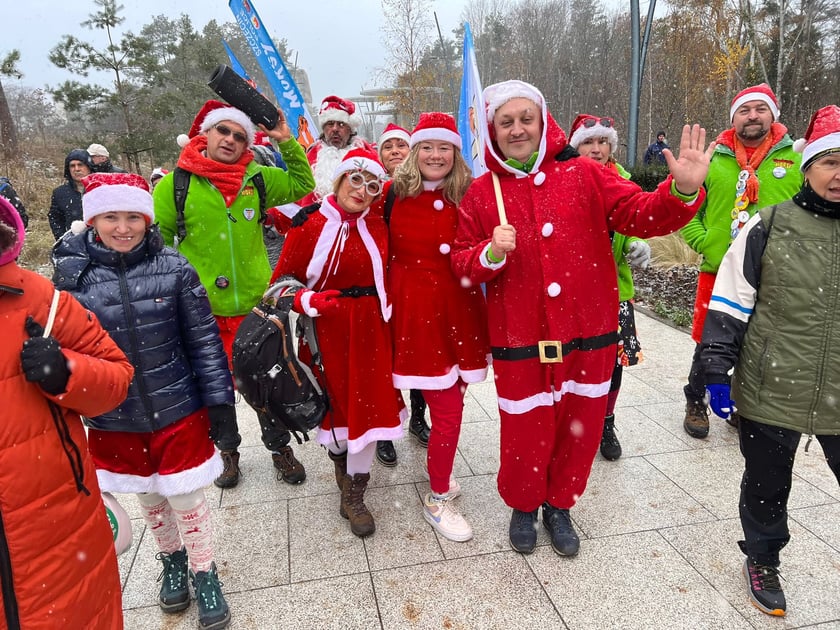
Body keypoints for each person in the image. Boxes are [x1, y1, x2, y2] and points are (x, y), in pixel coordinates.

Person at [451, 79, 714, 557]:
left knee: (581, 422)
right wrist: (489, 253)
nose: (517, 129)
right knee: (524, 426)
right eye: (506, 122)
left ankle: (559, 505)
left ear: (543, 122)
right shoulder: (482, 193)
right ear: (492, 130)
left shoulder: (585, 174)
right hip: (519, 334)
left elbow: (640, 213)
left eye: (525, 119)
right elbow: (462, 264)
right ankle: (524, 505)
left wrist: (682, 190)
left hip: (587, 329)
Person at [52, 172, 235, 629]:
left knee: (186, 494)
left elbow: (203, 340)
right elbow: (65, 347)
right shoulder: (72, 278)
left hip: (177, 404)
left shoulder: (174, 267)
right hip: (114, 413)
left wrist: (220, 401)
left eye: (133, 217)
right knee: (149, 493)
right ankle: (171, 558)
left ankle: (204, 570)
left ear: (148, 219)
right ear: (93, 219)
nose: (123, 228)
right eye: (111, 217)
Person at [699, 104, 840, 618]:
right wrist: (716, 370)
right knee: (766, 483)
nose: (839, 175)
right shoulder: (769, 225)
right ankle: (762, 558)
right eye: (830, 162)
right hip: (772, 383)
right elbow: (730, 303)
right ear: (808, 167)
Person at [153, 99, 315, 489]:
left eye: (239, 136)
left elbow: (302, 183)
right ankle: (227, 451)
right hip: (202, 311)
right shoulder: (175, 185)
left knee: (264, 383)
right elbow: (158, 245)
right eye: (222, 131)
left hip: (255, 309)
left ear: (248, 144)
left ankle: (279, 448)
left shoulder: (257, 179)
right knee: (216, 389)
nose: (229, 139)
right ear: (205, 134)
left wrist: (286, 141)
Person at [1, 195, 134, 629]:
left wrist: (65, 373)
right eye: (111, 217)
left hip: (58, 533)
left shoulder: (37, 298)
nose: (123, 228)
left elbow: (116, 376)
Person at [271, 148, 403, 538]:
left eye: (372, 185)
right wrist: (306, 300)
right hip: (325, 331)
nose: (362, 190)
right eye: (356, 179)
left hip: (372, 330)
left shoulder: (379, 221)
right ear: (340, 179)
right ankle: (341, 468)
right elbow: (278, 287)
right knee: (335, 409)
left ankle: (355, 493)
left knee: (370, 410)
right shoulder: (310, 224)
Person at [388, 112, 490, 541]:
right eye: (427, 147)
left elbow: (484, 250)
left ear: (455, 152)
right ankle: (437, 496)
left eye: (443, 147)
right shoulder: (391, 194)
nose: (435, 155)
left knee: (454, 401)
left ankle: (441, 474)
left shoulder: (470, 194)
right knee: (447, 410)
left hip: (459, 312)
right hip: (414, 316)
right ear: (414, 152)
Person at [680, 83, 802, 439]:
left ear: (772, 115)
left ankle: (739, 402)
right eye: (744, 110)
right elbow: (688, 208)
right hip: (718, 271)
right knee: (709, 341)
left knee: (758, 342)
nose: (752, 116)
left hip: (773, 273)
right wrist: (705, 241)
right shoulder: (713, 157)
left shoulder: (795, 160)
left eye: (760, 109)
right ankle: (696, 400)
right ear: (734, 117)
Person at [568, 113, 652, 460]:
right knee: (573, 361)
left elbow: (630, 220)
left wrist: (636, 241)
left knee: (613, 364)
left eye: (603, 141)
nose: (597, 148)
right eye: (588, 141)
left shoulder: (623, 182)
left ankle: (606, 421)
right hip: (572, 292)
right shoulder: (563, 182)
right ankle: (575, 421)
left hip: (615, 292)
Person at [373, 121, 432, 467]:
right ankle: (385, 428)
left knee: (420, 354)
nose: (395, 151)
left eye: (401, 145)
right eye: (388, 146)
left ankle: (418, 418)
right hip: (381, 286)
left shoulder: (427, 187)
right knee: (385, 360)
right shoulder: (373, 188)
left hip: (416, 287)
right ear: (380, 154)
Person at [299, 95, 374, 207]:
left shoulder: (366, 154)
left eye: (341, 124)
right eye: (330, 124)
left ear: (350, 130)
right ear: (324, 129)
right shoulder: (311, 156)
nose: (335, 129)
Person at [48, 148, 92, 239]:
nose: (76, 169)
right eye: (72, 166)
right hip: (73, 242)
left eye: (80, 165)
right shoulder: (60, 193)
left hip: (100, 241)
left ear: (89, 167)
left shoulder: (100, 190)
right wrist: (62, 238)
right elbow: (55, 218)